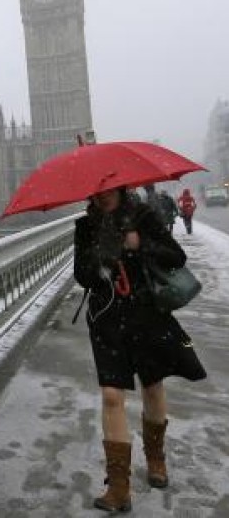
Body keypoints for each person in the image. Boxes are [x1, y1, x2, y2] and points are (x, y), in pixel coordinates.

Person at [74, 186, 206, 513]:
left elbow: (176, 255)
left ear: (119, 188)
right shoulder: (85, 226)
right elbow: (82, 276)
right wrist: (102, 257)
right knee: (111, 395)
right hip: (106, 318)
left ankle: (156, 459)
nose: (101, 196)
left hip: (146, 313)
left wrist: (140, 245)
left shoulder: (144, 216)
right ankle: (119, 488)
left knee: (152, 385)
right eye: (95, 192)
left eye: (107, 190)